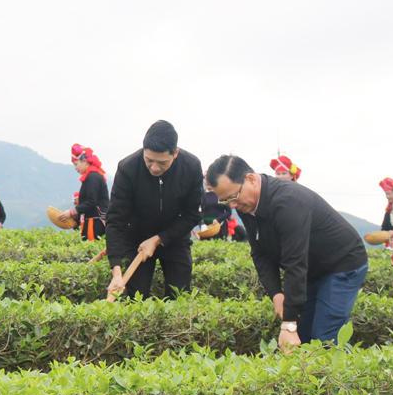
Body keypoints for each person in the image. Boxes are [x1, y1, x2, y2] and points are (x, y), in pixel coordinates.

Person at [206, 155, 368, 350]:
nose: (232, 205)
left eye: (233, 197)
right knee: (305, 335)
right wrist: (276, 293)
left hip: (342, 263)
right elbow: (259, 253)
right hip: (313, 267)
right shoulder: (244, 202)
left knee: (323, 339)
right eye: (225, 201)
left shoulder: (288, 202)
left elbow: (295, 261)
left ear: (251, 179)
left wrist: (289, 324)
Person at [105, 121, 203, 300]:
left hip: (174, 238)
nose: (155, 168)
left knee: (179, 296)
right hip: (136, 239)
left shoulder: (191, 167)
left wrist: (159, 239)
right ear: (143, 150)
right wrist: (117, 271)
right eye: (149, 160)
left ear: (176, 153)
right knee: (136, 299)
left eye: (162, 162)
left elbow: (193, 214)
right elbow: (115, 220)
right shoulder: (128, 168)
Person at [57, 143, 109, 241]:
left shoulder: (92, 177)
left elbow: (91, 202)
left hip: (95, 223)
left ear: (84, 161)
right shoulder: (93, 176)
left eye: (76, 164)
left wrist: (71, 212)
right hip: (93, 221)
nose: (75, 168)